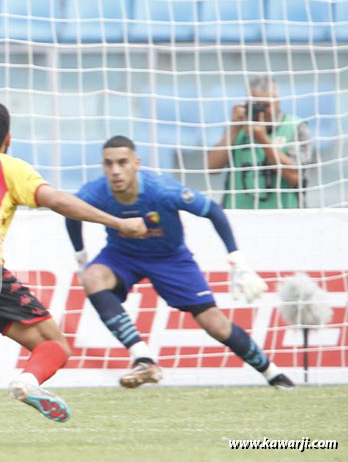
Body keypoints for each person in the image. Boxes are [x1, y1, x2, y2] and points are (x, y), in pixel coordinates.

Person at [0, 102, 148, 448]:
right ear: (8, 138)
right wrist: (118, 221)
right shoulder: (8, 166)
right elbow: (58, 201)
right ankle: (28, 382)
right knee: (53, 345)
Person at [67, 135, 295, 390]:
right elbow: (71, 213)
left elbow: (213, 211)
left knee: (215, 325)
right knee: (92, 277)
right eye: (108, 164)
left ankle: (274, 375)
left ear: (136, 163)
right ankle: (143, 359)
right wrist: (81, 259)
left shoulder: (162, 190)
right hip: (122, 255)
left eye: (122, 162)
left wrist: (238, 262)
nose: (115, 171)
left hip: (170, 258)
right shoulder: (96, 191)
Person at [207, 75, 313, 209]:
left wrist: (262, 139)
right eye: (257, 105)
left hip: (284, 217)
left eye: (266, 105)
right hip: (239, 215)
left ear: (278, 101)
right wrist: (234, 128)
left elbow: (296, 177)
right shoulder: (238, 127)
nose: (262, 110)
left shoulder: (295, 126)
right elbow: (212, 167)